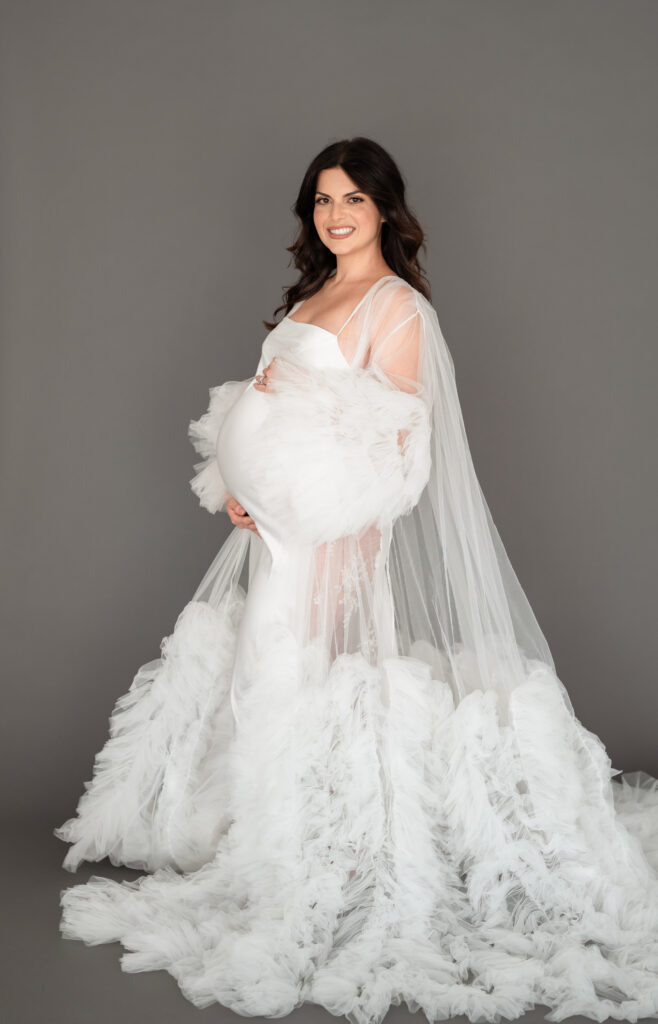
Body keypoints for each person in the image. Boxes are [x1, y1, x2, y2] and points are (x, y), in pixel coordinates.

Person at [54, 137, 658, 1023]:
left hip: (328, 542)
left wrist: (327, 537)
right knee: (261, 680)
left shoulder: (396, 308)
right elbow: (283, 414)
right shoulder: (313, 294)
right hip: (276, 536)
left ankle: (319, 858)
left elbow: (394, 451)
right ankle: (279, 842)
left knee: (301, 680)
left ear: (386, 211)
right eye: (323, 201)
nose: (335, 215)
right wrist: (239, 488)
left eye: (353, 201)